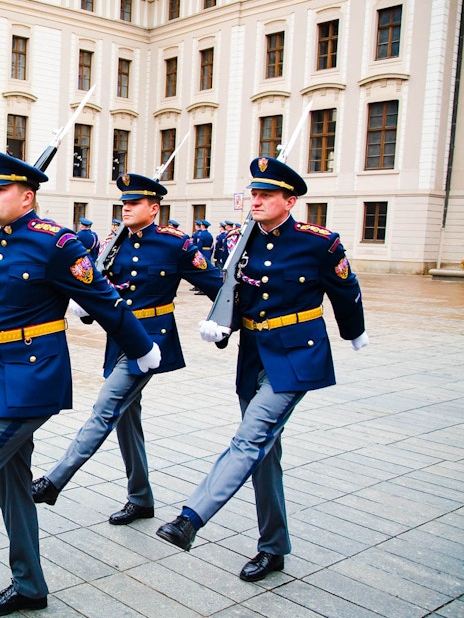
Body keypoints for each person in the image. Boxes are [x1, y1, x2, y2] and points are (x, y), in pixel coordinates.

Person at [156, 156, 368, 582]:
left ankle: (191, 518)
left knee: (250, 437)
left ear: (289, 201)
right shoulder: (242, 241)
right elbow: (239, 294)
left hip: (297, 355)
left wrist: (354, 332)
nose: (256, 201)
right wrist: (223, 327)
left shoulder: (319, 243)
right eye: (254, 194)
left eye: (266, 195)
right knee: (264, 454)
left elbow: (346, 289)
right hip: (254, 354)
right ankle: (274, 547)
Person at [0, 153, 160, 615]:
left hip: (32, 380)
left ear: (27, 197)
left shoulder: (57, 243)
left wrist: (143, 348)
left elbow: (105, 301)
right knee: (11, 482)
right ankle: (30, 586)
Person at [32, 172, 223, 527]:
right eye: (124, 203)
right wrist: (86, 307)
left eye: (134, 203)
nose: (127, 208)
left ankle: (55, 480)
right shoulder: (114, 241)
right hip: (117, 338)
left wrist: (225, 324)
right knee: (126, 421)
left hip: (151, 339)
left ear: (154, 209)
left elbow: (218, 287)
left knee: (105, 408)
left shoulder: (175, 244)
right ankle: (141, 499)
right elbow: (101, 286)